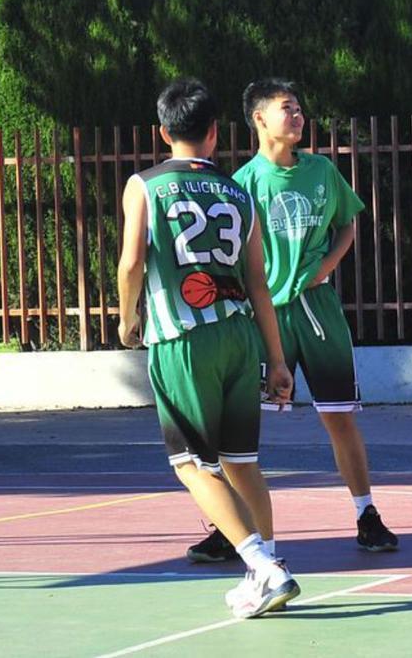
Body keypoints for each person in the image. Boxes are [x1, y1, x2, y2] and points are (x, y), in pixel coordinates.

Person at [186, 77, 399, 563]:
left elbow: (348, 223)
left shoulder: (322, 171)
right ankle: (231, 526)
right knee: (237, 429)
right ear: (260, 118)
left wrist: (322, 268)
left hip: (317, 311)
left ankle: (367, 514)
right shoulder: (244, 184)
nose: (299, 116)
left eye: (300, 108)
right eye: (288, 108)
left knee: (339, 417)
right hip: (264, 315)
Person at [117, 77, 300, 617]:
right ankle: (269, 567)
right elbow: (260, 283)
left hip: (183, 337)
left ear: (162, 132)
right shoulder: (239, 192)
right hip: (241, 336)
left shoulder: (145, 185)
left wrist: (127, 320)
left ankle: (263, 567)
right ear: (217, 133)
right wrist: (279, 359)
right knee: (243, 462)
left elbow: (131, 263)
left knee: (191, 464)